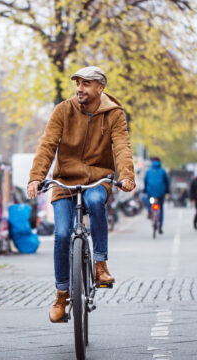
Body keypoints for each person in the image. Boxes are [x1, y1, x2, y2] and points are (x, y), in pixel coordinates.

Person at [27, 66, 135, 323]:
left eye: (86, 83)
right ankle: (62, 294)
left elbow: (121, 146)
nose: (80, 88)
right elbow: (47, 144)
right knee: (62, 234)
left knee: (97, 201)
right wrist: (36, 177)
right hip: (64, 181)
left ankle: (100, 265)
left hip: (98, 178)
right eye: (78, 83)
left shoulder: (115, 114)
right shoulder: (63, 110)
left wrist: (127, 175)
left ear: (100, 87)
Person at [143, 157, 169, 233]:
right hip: (161, 194)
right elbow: (166, 182)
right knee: (160, 208)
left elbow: (145, 181)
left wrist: (145, 189)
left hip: (150, 193)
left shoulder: (148, 171)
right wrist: (167, 191)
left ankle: (149, 210)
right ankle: (160, 225)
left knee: (148, 201)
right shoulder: (163, 171)